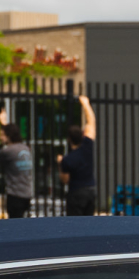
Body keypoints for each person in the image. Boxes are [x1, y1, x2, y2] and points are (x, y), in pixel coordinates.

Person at [58, 85, 98, 215]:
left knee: (75, 224)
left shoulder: (67, 159)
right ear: (82, 135)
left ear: (69, 139)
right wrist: (85, 104)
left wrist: (60, 163)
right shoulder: (87, 146)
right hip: (90, 190)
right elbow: (91, 122)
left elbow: (65, 180)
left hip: (76, 192)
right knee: (89, 223)